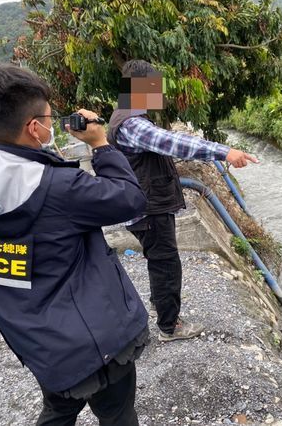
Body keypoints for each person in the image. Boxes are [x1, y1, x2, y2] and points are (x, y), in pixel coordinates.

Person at [0, 63, 149, 425]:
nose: (51, 123)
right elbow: (129, 199)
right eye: (48, 117)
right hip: (96, 344)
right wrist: (100, 144)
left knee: (59, 410)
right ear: (34, 128)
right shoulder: (57, 188)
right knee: (117, 414)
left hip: (41, 346)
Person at [108, 59, 258, 342]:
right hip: (148, 208)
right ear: (137, 88)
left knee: (159, 259)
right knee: (165, 262)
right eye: (154, 87)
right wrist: (225, 152)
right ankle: (169, 326)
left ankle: (159, 305)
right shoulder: (132, 123)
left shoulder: (126, 116)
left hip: (145, 204)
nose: (158, 93)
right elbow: (175, 143)